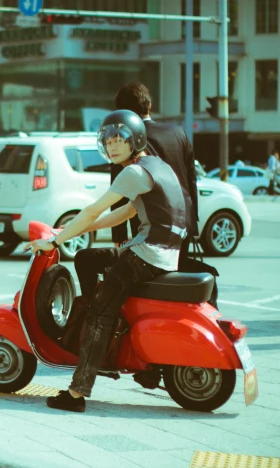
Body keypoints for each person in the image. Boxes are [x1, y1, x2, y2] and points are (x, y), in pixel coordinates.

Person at [25, 110, 187, 413]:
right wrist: (71, 230)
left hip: (147, 255)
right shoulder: (155, 165)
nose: (112, 147)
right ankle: (96, 321)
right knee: (87, 258)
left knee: (100, 313)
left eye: (119, 141)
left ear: (135, 140)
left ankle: (76, 392)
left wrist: (54, 241)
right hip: (159, 252)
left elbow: (93, 210)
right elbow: (125, 213)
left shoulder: (133, 172)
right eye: (108, 141)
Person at [76, 81, 198, 300]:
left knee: (136, 288)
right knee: (174, 288)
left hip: (148, 228)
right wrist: (193, 224)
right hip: (182, 224)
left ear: (120, 113)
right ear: (149, 105)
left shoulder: (123, 139)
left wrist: (119, 237)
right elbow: (191, 181)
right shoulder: (178, 132)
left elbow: (119, 192)